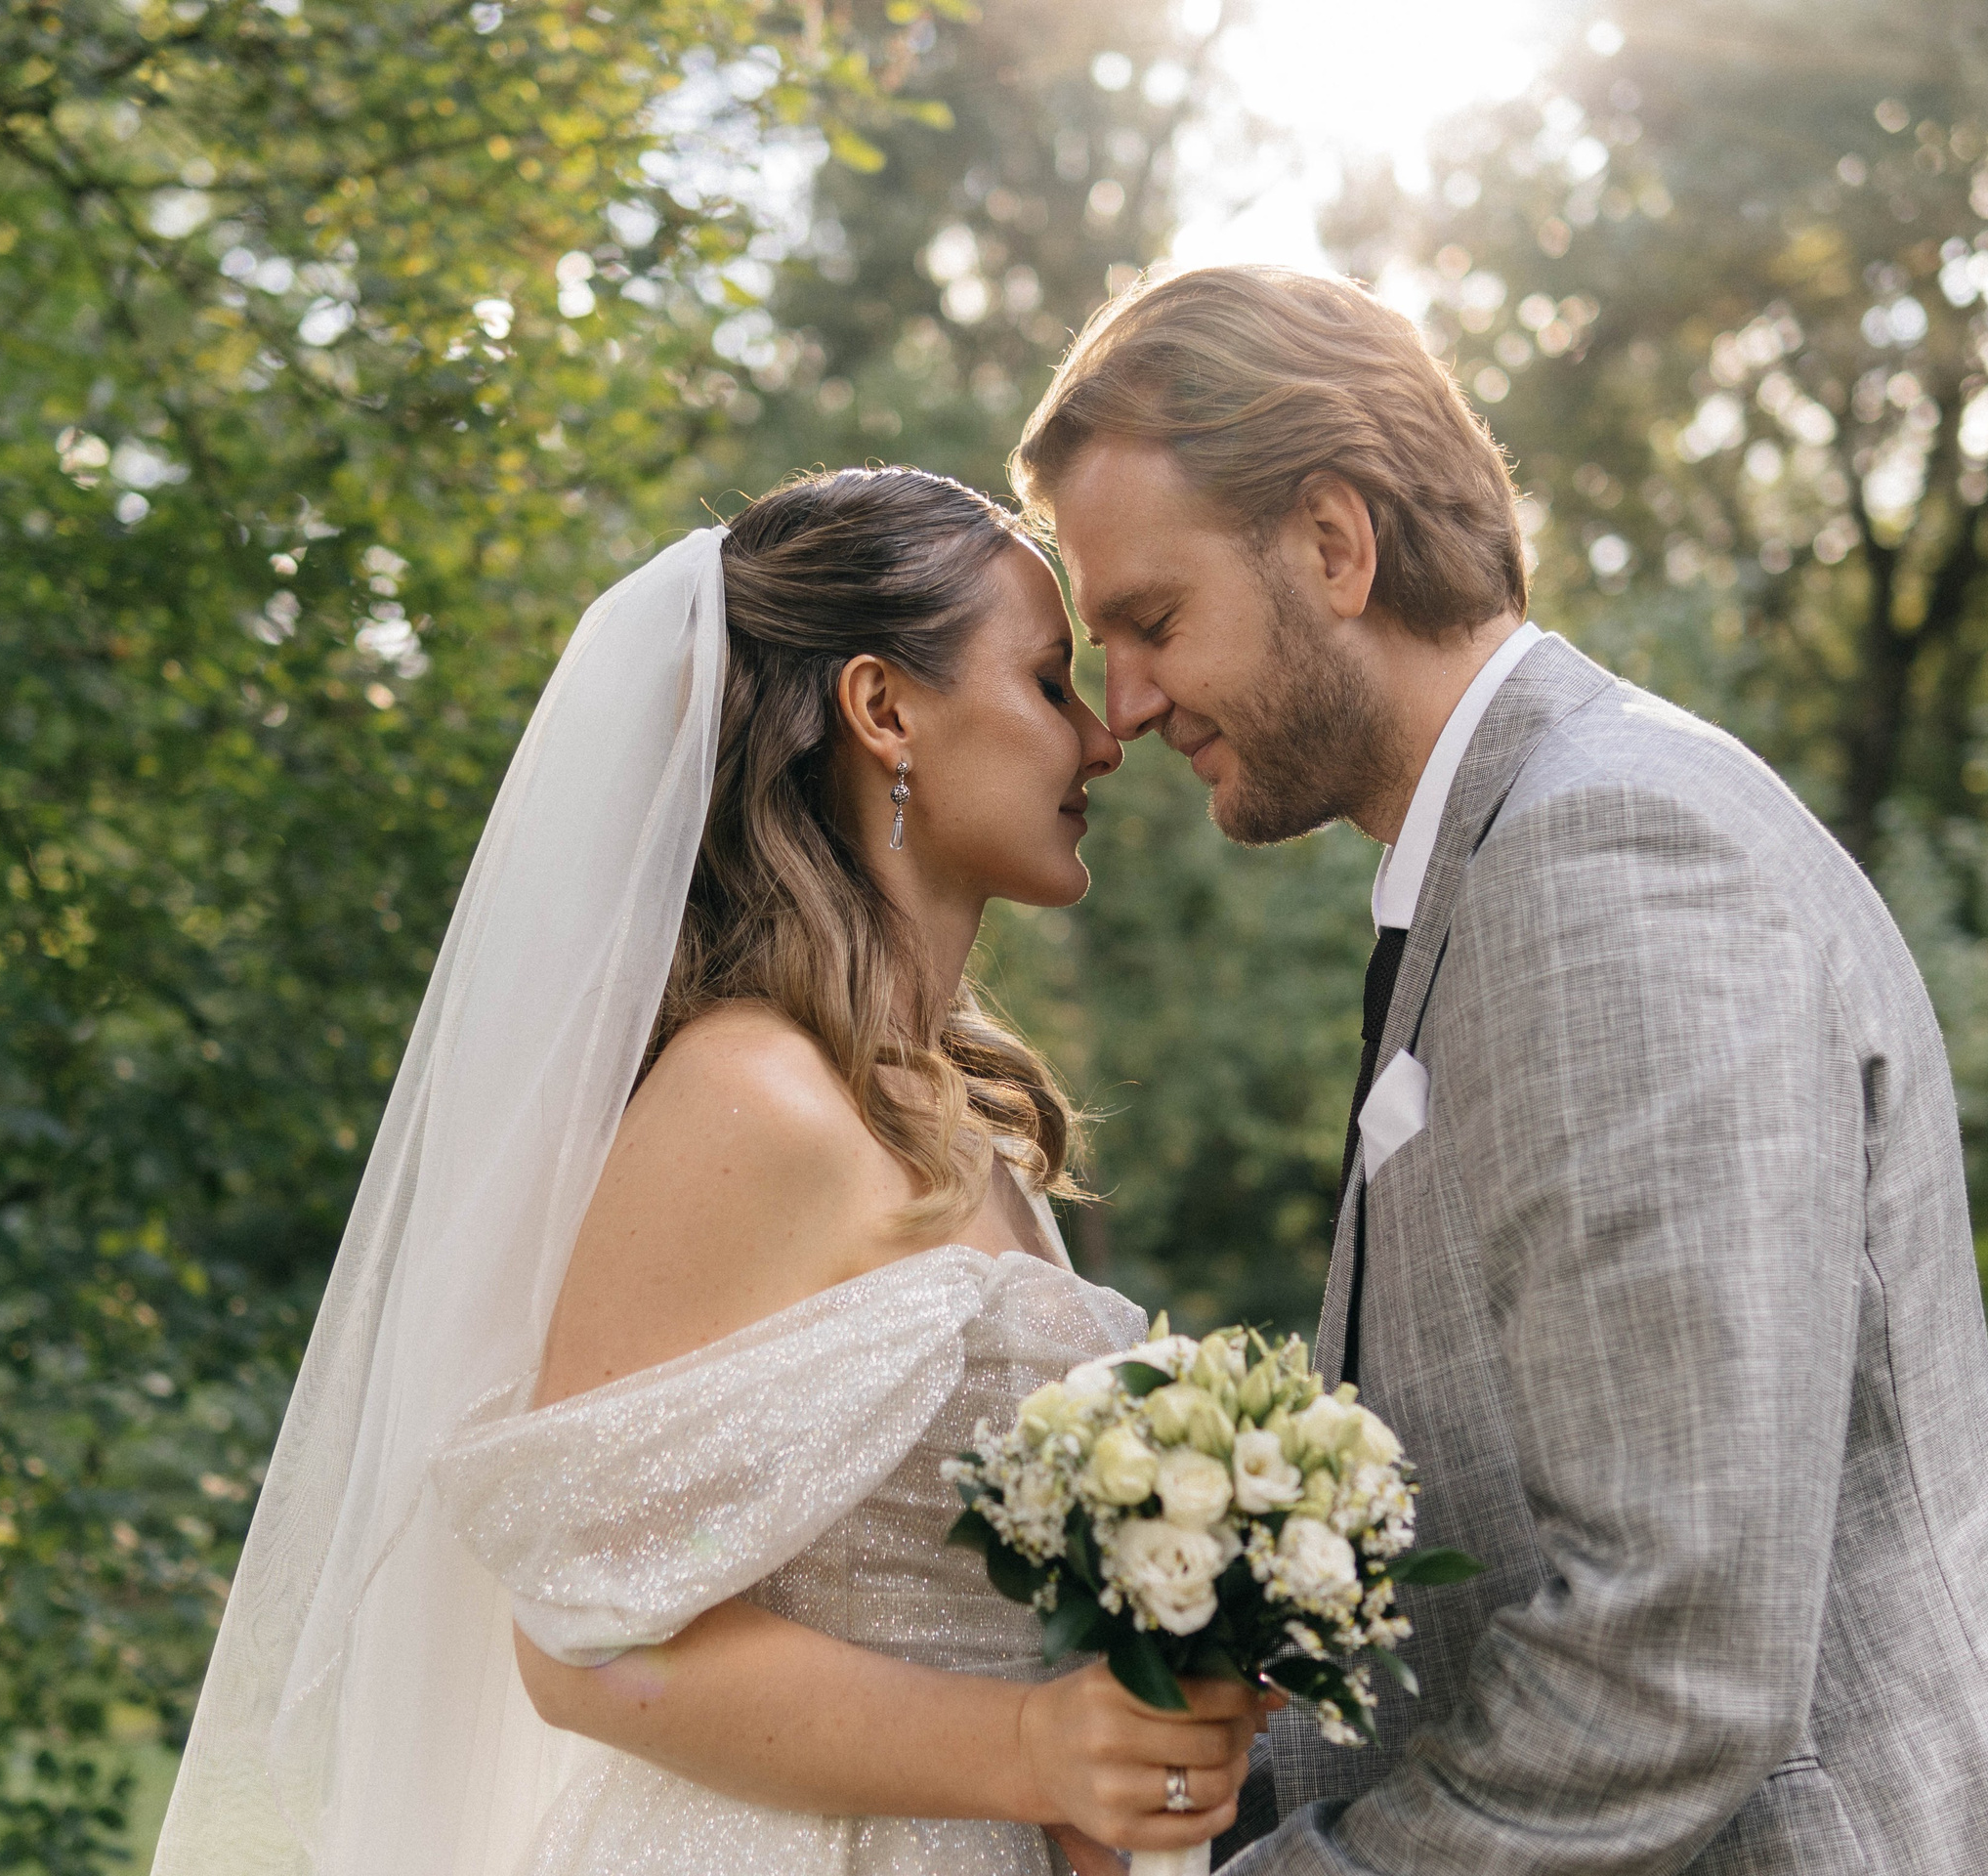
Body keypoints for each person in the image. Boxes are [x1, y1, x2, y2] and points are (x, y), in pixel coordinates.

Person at [1008, 263, 1988, 1876]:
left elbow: (1675, 1656)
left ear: (1335, 548)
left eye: (1152, 621)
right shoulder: (1516, 847)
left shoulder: (1602, 857)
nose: (1123, 707)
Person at [150, 467, 1257, 1876]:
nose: (1105, 742)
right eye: (1051, 685)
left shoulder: (956, 1116)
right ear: (884, 710)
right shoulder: (751, 1095)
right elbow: (578, 1638)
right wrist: (1029, 1750)